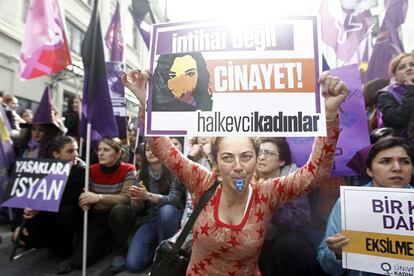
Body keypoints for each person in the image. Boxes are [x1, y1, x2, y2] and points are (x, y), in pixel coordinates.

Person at [122, 70, 348, 275]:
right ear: (216, 162)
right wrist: (145, 101)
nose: (238, 166)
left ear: (256, 158)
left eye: (246, 156)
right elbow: (162, 148)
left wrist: (329, 113)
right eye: (227, 157)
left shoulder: (267, 193)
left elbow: (315, 173)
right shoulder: (201, 181)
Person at [317, 137, 413, 276]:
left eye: (404, 162)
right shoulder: (348, 203)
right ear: (369, 170)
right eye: (385, 161)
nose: (397, 168)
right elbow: (328, 267)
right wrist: (338, 254)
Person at [12, 136, 85, 274]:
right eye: (70, 151)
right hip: (47, 214)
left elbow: (73, 198)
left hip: (71, 215)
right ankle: (49, 243)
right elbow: (25, 195)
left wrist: (43, 206)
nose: (75, 154)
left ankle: (65, 254)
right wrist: (17, 225)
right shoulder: (43, 168)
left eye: (76, 150)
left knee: (67, 212)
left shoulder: (81, 170)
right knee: (25, 236)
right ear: (56, 154)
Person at [256, 137, 320, 276]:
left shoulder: (294, 183)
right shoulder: (247, 178)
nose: (261, 157)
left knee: (290, 244)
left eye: (268, 153)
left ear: (282, 161)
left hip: (285, 243)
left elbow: (298, 220)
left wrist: (272, 202)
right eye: (259, 152)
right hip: (256, 240)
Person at [71, 137, 136, 273]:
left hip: (118, 215)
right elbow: (86, 195)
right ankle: (106, 242)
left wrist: (98, 197)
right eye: (99, 149)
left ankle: (120, 250)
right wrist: (84, 202)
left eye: (106, 150)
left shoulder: (129, 169)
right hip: (97, 216)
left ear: (118, 153)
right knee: (79, 262)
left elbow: (125, 198)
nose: (100, 153)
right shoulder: (92, 169)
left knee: (120, 210)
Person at [126, 140, 185, 272]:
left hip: (170, 219)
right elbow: (138, 210)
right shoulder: (140, 174)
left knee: (166, 211)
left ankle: (166, 256)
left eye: (155, 149)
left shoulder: (173, 170)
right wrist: (136, 200)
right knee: (133, 264)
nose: (151, 152)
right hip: (149, 221)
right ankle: (156, 251)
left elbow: (174, 200)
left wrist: (147, 195)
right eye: (148, 149)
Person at [376, 53, 414, 143]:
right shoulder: (386, 94)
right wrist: (410, 90)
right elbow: (398, 120)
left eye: (412, 65)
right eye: (402, 67)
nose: (408, 68)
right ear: (395, 75)